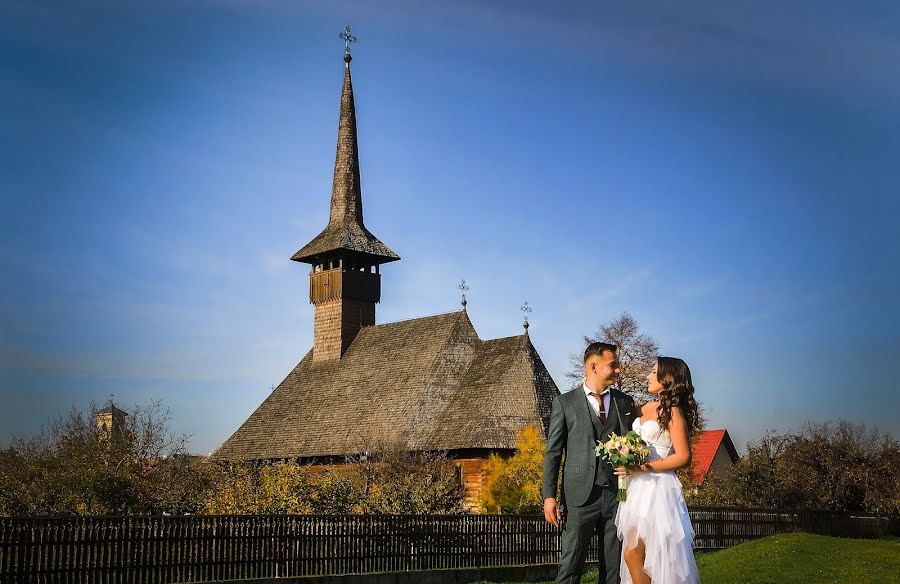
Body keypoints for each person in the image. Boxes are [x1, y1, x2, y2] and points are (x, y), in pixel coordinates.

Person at [542, 342, 638, 584]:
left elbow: (635, 443)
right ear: (594, 366)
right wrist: (549, 496)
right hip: (578, 498)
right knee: (570, 567)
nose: (618, 370)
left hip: (618, 496)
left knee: (613, 570)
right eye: (613, 365)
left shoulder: (625, 403)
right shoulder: (564, 403)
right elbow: (553, 453)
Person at [614, 357, 701, 584]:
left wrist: (640, 467)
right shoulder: (647, 407)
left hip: (657, 488)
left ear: (667, 378)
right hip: (636, 488)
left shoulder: (673, 412)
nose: (647, 376)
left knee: (640, 554)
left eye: (653, 372)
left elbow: (683, 457)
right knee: (635, 555)